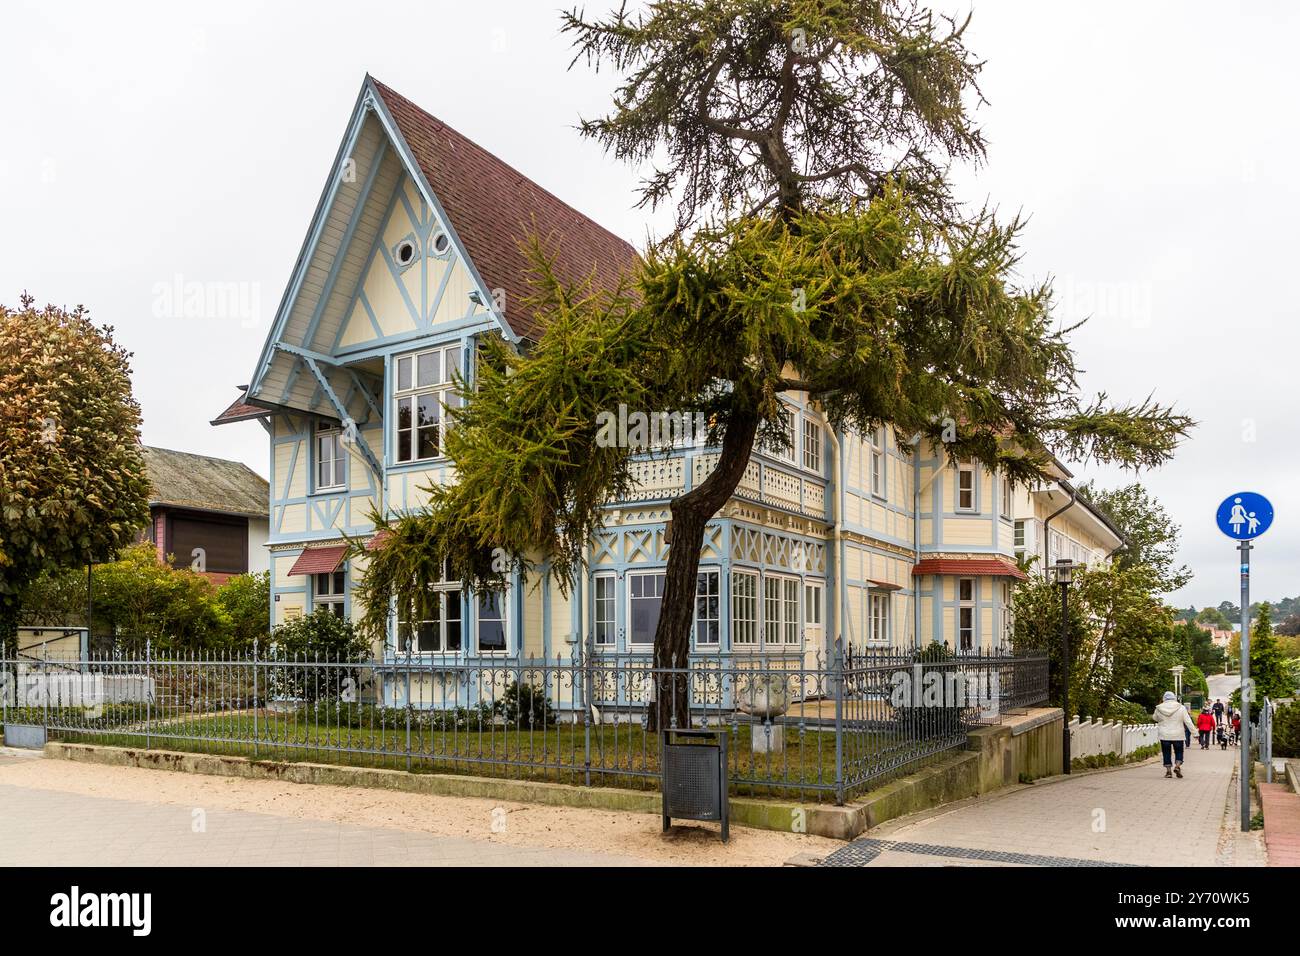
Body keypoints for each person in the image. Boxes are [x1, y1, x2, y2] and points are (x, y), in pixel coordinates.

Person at [1154, 691, 1198, 778]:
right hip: (1178, 734)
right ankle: (1177, 766)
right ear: (1174, 698)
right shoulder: (1181, 707)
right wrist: (1195, 733)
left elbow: (1155, 718)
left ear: (1164, 698)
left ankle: (1168, 772)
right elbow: (1188, 721)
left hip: (1164, 734)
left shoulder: (1159, 708)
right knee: (1179, 751)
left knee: (1166, 752)